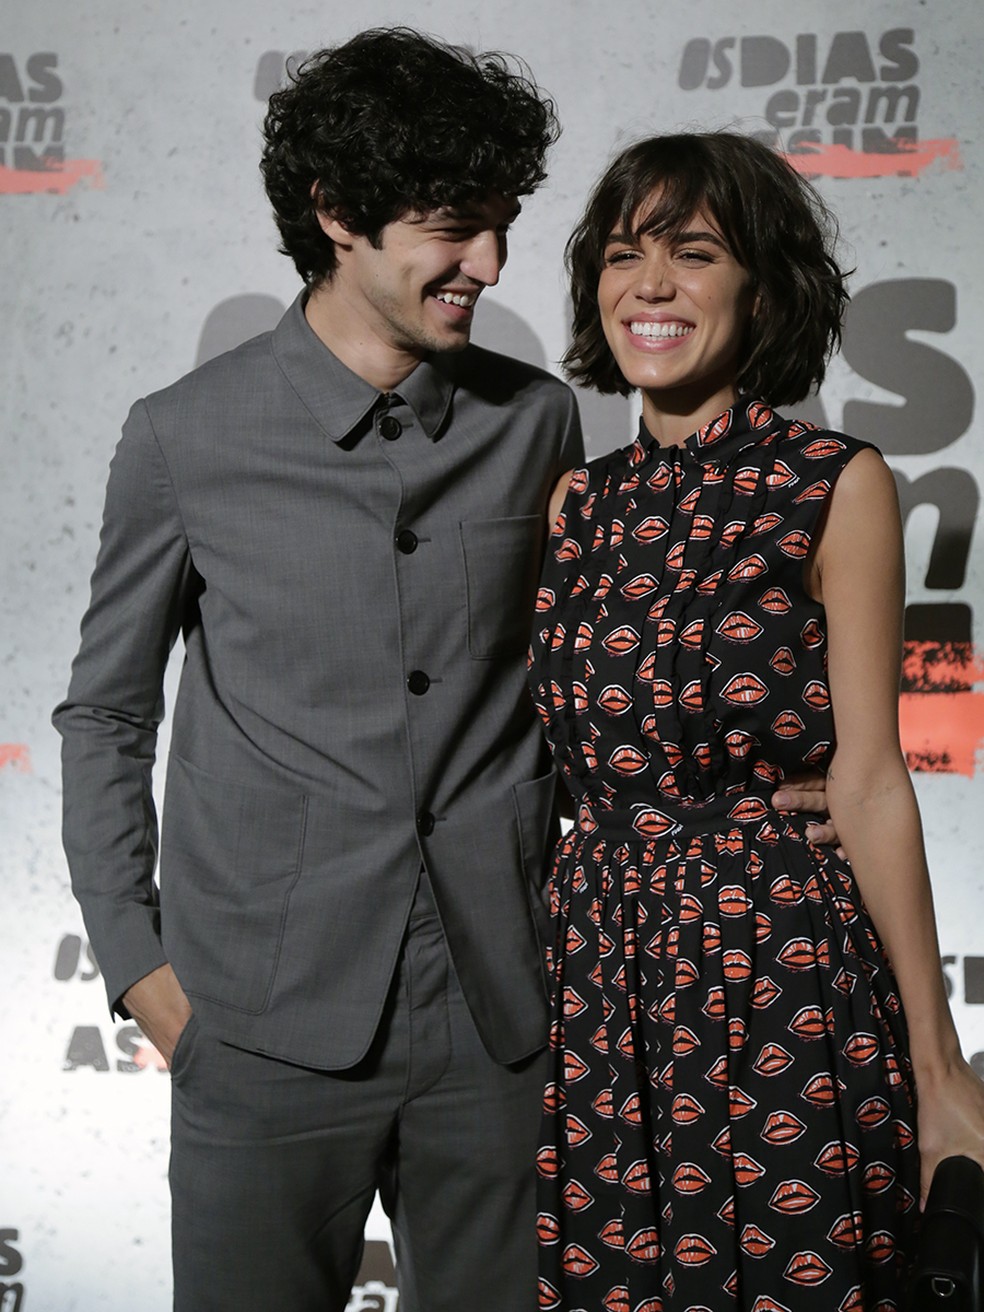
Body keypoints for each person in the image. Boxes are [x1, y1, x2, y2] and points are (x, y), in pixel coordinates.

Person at [52, 34, 835, 1309]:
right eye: (451, 230)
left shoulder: (538, 423)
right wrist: (140, 967)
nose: (487, 265)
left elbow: (617, 663)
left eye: (500, 226)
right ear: (337, 217)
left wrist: (771, 789)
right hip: (259, 1024)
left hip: (503, 1013)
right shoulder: (181, 438)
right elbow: (103, 711)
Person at [529, 131, 984, 1311]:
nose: (652, 285)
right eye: (625, 254)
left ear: (762, 286)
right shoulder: (576, 502)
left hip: (775, 965)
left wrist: (942, 1075)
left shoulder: (837, 482)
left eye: (694, 252)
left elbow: (875, 778)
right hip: (598, 977)